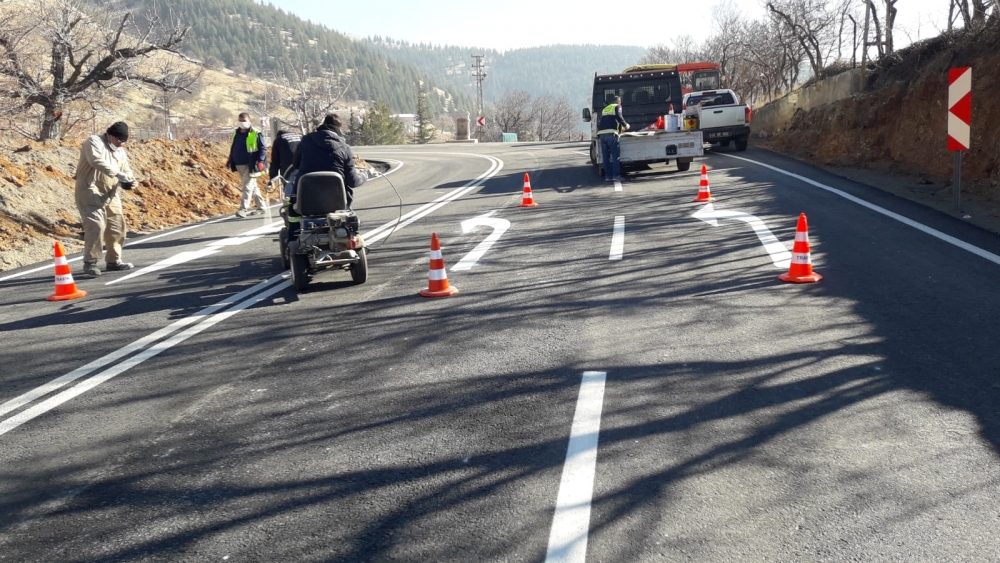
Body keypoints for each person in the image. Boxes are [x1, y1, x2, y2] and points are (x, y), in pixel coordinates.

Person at [74, 121, 137, 277]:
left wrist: (130, 180)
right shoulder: (93, 142)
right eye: (119, 140)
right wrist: (119, 175)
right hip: (90, 188)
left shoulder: (120, 151)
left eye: (123, 142)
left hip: (110, 192)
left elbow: (126, 169)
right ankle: (91, 262)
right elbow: (96, 161)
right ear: (110, 135)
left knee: (117, 225)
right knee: (96, 224)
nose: (121, 144)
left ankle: (114, 261)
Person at [287, 113, 367, 209]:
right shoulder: (345, 148)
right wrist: (364, 176)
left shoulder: (306, 141)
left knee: (292, 208)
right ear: (339, 128)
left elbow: (296, 164)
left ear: (323, 124)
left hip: (306, 199)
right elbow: (353, 181)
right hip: (337, 202)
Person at [225, 112, 268, 218]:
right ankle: (261, 207)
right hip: (239, 164)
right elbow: (233, 147)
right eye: (240, 121)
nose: (242, 123)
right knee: (253, 187)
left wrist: (260, 161)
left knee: (247, 187)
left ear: (249, 121)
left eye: (244, 121)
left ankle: (243, 209)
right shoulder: (236, 133)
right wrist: (230, 159)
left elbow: (263, 149)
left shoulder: (256, 133)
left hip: (251, 165)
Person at [597, 95, 629, 182]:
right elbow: (619, 117)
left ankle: (608, 176)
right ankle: (616, 176)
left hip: (602, 134)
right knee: (615, 156)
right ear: (618, 101)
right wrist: (626, 125)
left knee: (606, 157)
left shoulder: (605, 108)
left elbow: (609, 120)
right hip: (611, 134)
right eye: (620, 102)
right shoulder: (617, 106)